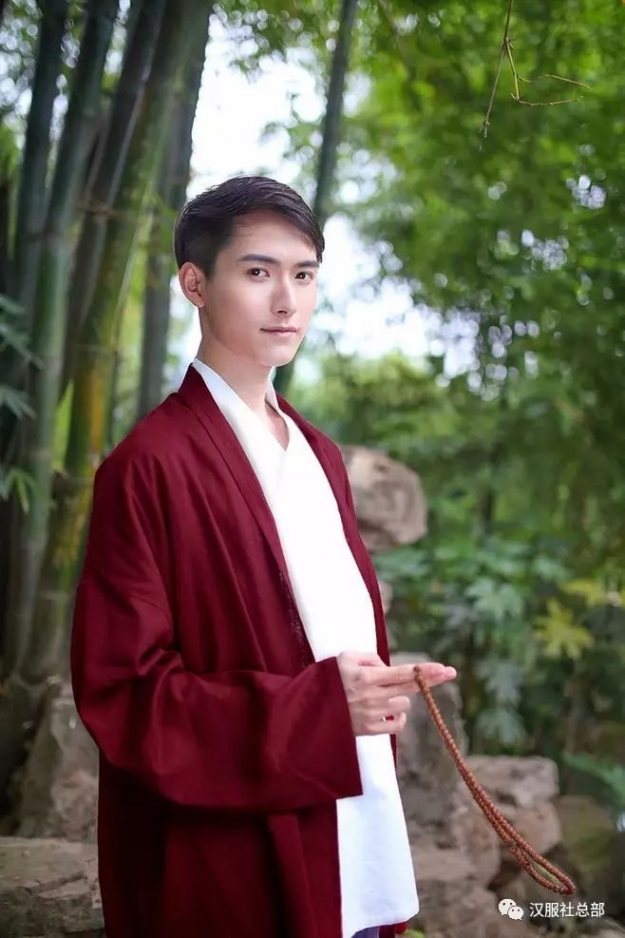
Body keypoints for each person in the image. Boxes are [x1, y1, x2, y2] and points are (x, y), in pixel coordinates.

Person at [70, 174, 458, 938]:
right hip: (233, 850)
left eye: (303, 275)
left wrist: (371, 694)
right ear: (194, 284)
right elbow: (126, 695)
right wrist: (318, 711)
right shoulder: (147, 467)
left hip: (352, 822)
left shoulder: (319, 453)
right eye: (257, 272)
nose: (287, 300)